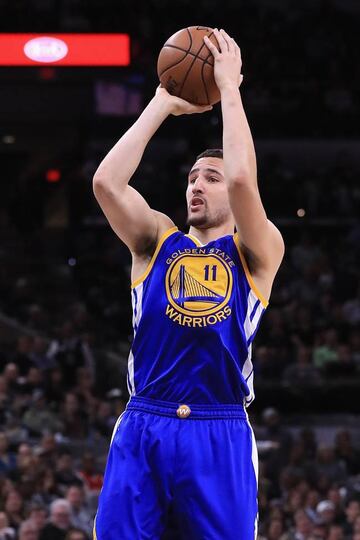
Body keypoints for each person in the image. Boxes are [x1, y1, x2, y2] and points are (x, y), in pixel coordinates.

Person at [93, 28, 284, 539]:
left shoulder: (257, 251)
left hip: (217, 427)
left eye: (210, 177)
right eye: (192, 176)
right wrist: (159, 103)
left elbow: (244, 180)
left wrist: (229, 89)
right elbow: (107, 184)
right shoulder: (156, 238)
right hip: (144, 421)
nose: (197, 184)